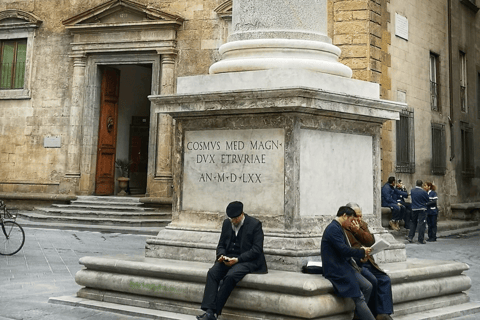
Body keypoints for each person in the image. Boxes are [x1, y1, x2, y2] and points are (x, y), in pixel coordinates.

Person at [197, 201, 268, 320]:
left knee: (230, 276)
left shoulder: (255, 224)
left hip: (247, 260)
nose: (233, 221)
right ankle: (209, 312)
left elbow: (257, 250)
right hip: (228, 258)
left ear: (241, 215)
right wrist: (221, 255)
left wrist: (238, 259)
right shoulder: (227, 223)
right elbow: (221, 245)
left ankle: (214, 313)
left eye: (235, 219)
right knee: (212, 273)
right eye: (231, 219)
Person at [321, 206, 376, 320]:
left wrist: (361, 256)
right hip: (336, 269)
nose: (351, 224)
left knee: (368, 286)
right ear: (344, 216)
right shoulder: (333, 228)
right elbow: (343, 250)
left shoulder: (338, 227)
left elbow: (345, 251)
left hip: (345, 266)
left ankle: (358, 317)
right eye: (351, 220)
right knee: (359, 297)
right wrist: (361, 251)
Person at [344, 203, 394, 320]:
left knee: (385, 279)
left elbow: (370, 241)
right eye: (357, 216)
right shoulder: (344, 228)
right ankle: (372, 313)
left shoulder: (362, 225)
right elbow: (347, 249)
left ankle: (383, 314)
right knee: (373, 281)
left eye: (361, 216)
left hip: (369, 261)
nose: (359, 219)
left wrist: (358, 231)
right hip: (357, 263)